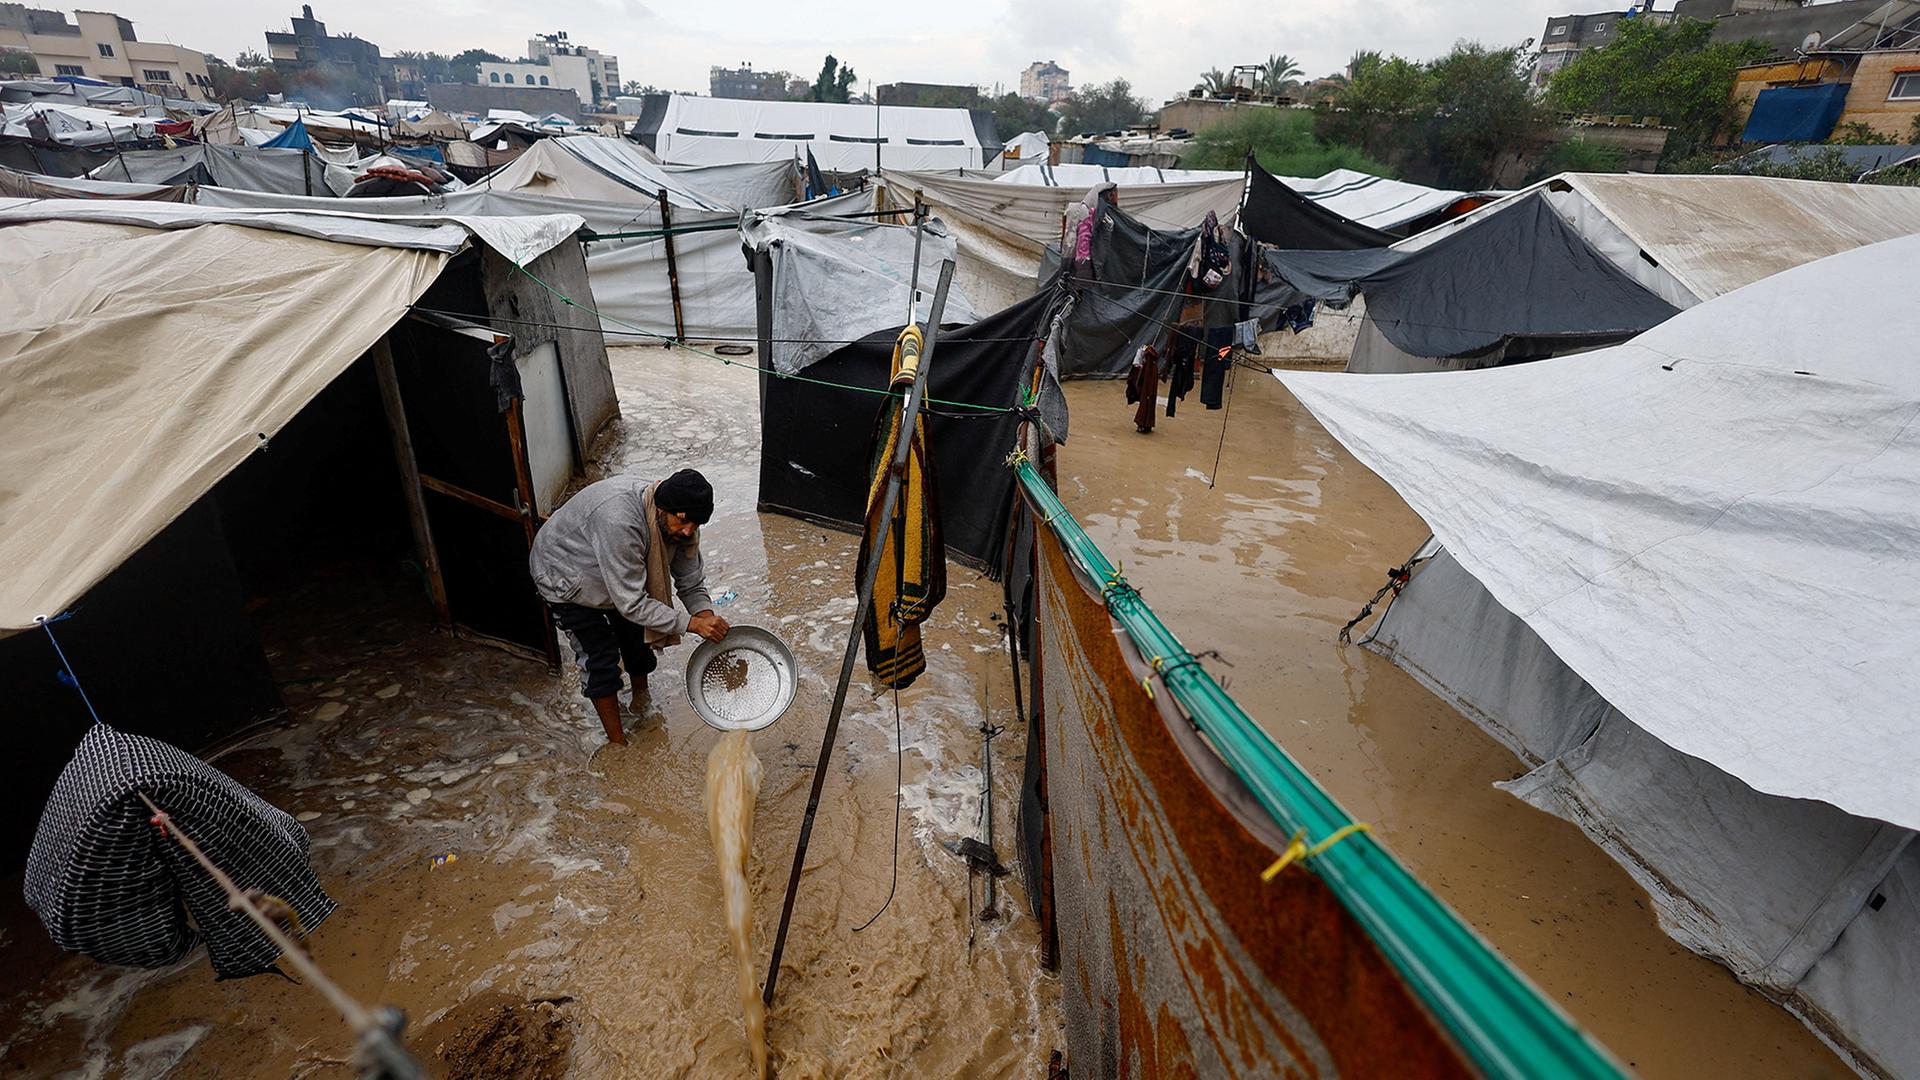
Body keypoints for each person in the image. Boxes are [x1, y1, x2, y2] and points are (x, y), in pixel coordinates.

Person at [528, 468, 730, 745]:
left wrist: (708, 621)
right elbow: (632, 603)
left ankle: (641, 703)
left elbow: (690, 583)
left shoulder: (683, 524)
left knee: (637, 639)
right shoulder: (620, 520)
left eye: (695, 525)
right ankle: (618, 743)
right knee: (599, 657)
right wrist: (692, 624)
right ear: (662, 508)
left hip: (613, 568)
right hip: (564, 572)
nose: (688, 531)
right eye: (683, 522)